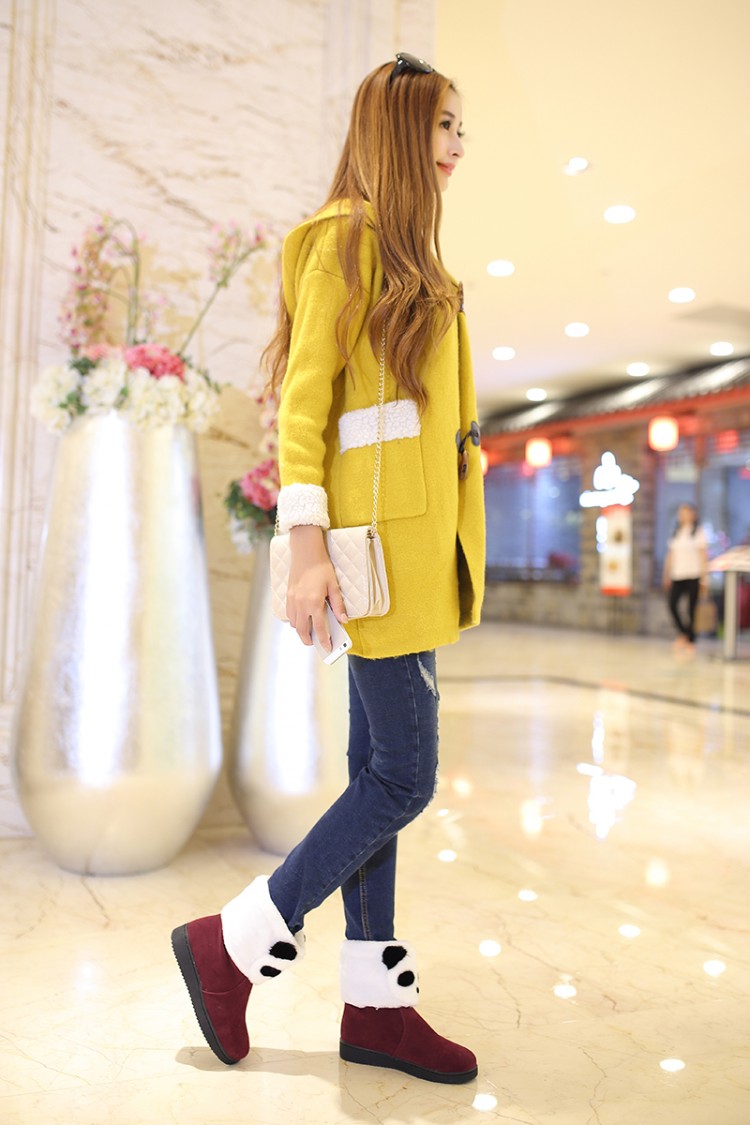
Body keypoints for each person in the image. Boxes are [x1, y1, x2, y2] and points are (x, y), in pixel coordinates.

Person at [171, 53, 485, 1084]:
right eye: (441, 124)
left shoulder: (413, 259)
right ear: (393, 129)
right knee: (403, 775)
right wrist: (304, 548)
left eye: (461, 128)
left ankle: (374, 1007)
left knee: (375, 774)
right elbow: (303, 408)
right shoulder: (345, 239)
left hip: (415, 557)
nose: (456, 145)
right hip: (369, 558)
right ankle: (234, 941)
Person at [662, 502, 709, 649]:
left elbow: (703, 556)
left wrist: (704, 578)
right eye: (681, 513)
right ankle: (683, 633)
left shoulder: (698, 533)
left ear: (693, 515)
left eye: (687, 512)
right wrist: (666, 574)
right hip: (678, 574)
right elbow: (670, 555)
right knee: (672, 604)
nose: (684, 515)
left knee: (691, 608)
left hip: (693, 574)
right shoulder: (676, 533)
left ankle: (691, 639)